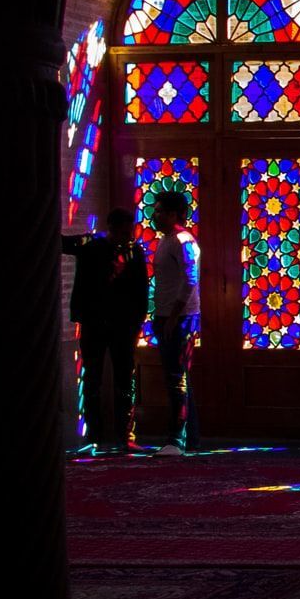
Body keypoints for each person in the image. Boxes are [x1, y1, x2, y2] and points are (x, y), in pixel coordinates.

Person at [62, 208, 148, 453]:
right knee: (92, 381)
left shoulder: (135, 252)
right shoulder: (91, 245)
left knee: (124, 380)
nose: (126, 236)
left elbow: (142, 289)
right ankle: (94, 437)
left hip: (123, 326)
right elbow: (61, 243)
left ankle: (125, 436)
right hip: (94, 323)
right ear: (110, 228)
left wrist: (137, 321)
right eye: (122, 231)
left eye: (129, 231)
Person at [149, 190, 202, 455]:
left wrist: (173, 317)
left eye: (159, 211)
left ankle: (176, 439)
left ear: (173, 214)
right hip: (167, 316)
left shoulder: (183, 241)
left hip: (180, 318)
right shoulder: (166, 240)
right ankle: (189, 438)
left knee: (176, 378)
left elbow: (190, 280)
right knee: (178, 378)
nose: (154, 215)